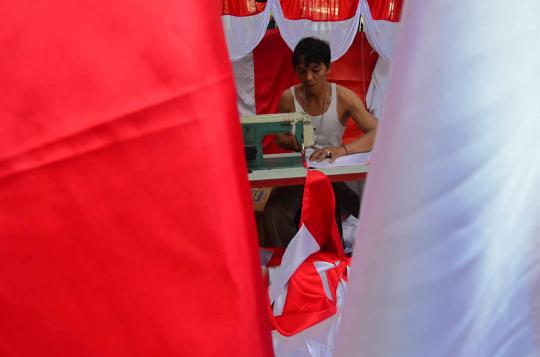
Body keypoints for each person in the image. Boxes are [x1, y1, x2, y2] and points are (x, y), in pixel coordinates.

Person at [259, 37, 379, 248]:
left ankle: (372, 252)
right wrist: (292, 143)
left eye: (316, 70)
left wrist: (342, 150)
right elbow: (278, 136)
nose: (309, 77)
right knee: (275, 211)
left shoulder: (344, 98)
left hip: (332, 174)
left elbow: (378, 132)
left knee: (368, 208)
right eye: (302, 70)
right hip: (300, 175)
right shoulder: (289, 98)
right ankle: (289, 260)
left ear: (329, 68)